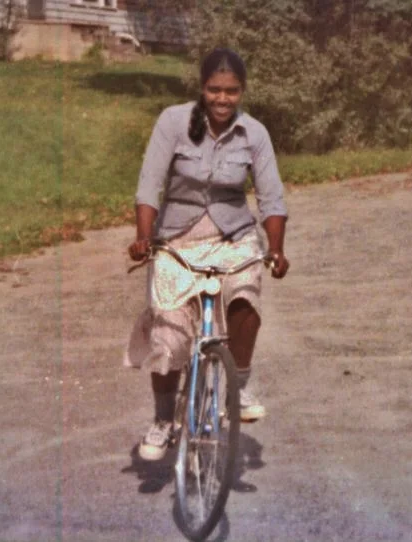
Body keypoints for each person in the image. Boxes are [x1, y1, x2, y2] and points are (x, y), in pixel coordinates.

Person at [123, 48, 290, 461]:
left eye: (231, 91)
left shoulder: (255, 134)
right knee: (170, 331)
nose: (222, 99)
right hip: (177, 237)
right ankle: (164, 420)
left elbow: (271, 198)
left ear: (242, 91)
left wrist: (276, 248)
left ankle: (241, 385)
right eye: (215, 90)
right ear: (202, 88)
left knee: (246, 294)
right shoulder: (173, 122)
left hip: (233, 236)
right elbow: (149, 186)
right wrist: (144, 238)